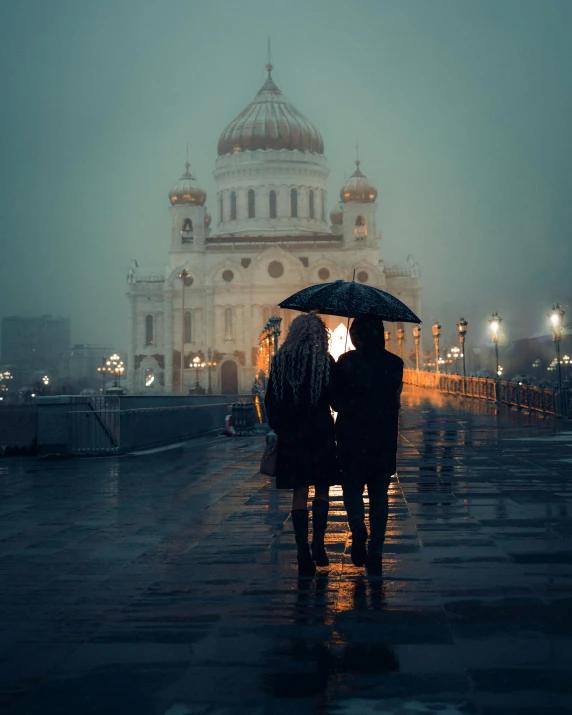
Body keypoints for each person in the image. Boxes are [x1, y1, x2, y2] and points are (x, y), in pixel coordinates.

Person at [264, 313, 340, 575]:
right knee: (321, 489)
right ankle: (318, 544)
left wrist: (282, 427)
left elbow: (270, 402)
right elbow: (336, 403)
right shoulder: (324, 361)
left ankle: (301, 551)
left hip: (293, 435)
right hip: (320, 434)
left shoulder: (280, 362)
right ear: (320, 335)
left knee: (299, 492)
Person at [330, 315, 403, 574]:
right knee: (379, 494)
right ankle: (377, 550)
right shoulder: (395, 363)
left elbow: (336, 403)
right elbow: (395, 400)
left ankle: (357, 525)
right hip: (382, 438)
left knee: (352, 487)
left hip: (351, 436)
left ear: (355, 336)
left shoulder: (346, 362)